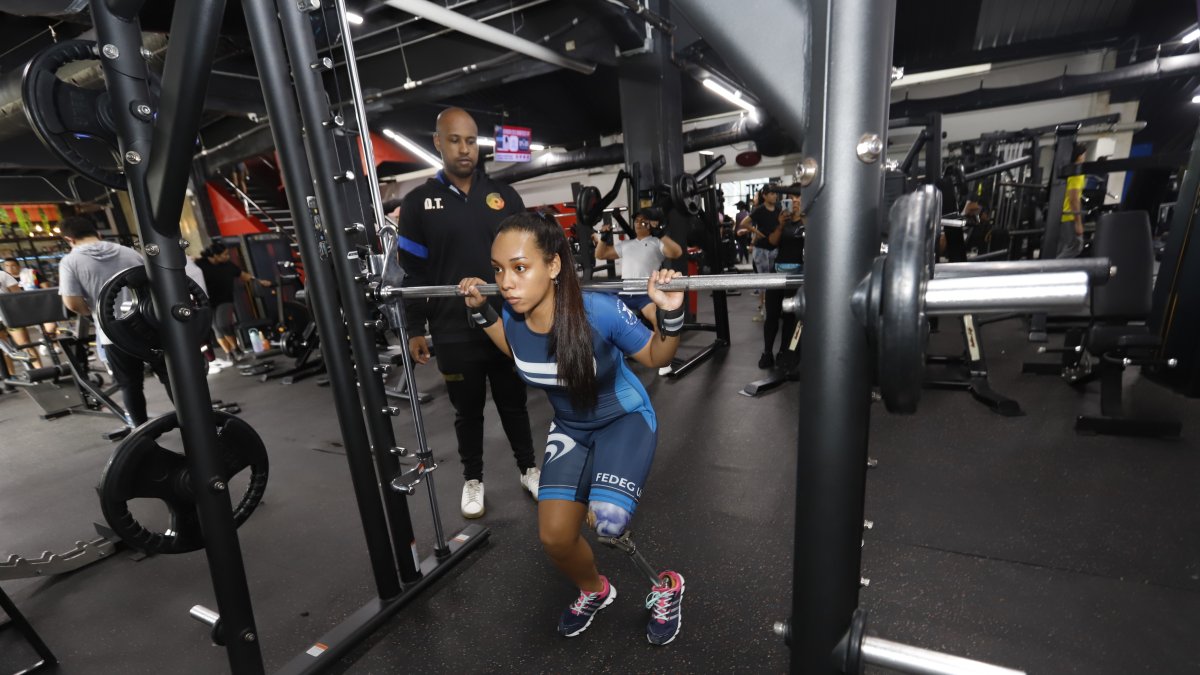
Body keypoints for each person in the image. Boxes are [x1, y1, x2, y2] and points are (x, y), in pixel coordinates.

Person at [458, 212, 686, 645]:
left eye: (519, 268)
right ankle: (595, 590)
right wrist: (481, 311)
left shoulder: (600, 311)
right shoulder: (512, 314)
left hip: (623, 419)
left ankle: (667, 585)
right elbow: (514, 350)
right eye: (498, 270)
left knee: (608, 521)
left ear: (554, 265)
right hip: (571, 429)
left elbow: (658, 357)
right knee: (556, 538)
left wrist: (670, 314)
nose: (506, 282)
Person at [398, 106, 539, 519]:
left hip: (507, 324)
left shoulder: (504, 196)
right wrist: (415, 327)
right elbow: (413, 274)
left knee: (515, 403)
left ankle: (529, 469)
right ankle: (473, 479)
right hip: (451, 329)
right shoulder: (418, 203)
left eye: (471, 140)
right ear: (438, 143)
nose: (464, 149)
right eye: (455, 140)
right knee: (467, 411)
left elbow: (527, 260)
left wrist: (534, 313)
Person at [57, 216, 169, 427]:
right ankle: (196, 426)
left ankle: (143, 435)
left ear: (68, 239)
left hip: (114, 332)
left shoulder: (70, 261)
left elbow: (72, 303)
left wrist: (95, 313)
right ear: (98, 233)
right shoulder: (128, 252)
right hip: (149, 325)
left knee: (130, 385)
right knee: (170, 376)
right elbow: (154, 284)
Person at [590, 206, 683, 324]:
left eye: (643, 221)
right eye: (636, 221)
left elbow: (677, 253)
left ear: (650, 224)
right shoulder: (626, 244)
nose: (638, 223)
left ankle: (659, 336)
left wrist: (660, 234)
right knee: (603, 317)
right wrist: (603, 239)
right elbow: (600, 255)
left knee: (657, 319)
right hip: (624, 294)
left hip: (645, 295)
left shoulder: (657, 242)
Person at [196, 241, 269, 364]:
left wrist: (259, 281)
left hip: (225, 299)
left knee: (224, 324)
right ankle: (229, 353)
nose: (228, 256)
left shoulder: (228, 265)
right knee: (216, 329)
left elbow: (243, 275)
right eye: (225, 254)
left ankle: (236, 349)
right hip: (206, 301)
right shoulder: (200, 264)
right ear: (215, 256)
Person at [761, 193, 805, 369]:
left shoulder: (807, 222)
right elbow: (772, 242)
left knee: (789, 316)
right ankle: (767, 353)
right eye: (792, 198)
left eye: (798, 198)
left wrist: (804, 216)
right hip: (778, 271)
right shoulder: (782, 220)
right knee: (771, 314)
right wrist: (780, 225)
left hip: (797, 274)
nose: (795, 201)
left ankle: (784, 352)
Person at [738, 185, 781, 333]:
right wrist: (757, 232)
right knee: (763, 281)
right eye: (772, 193)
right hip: (761, 249)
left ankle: (772, 309)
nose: (775, 196)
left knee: (773, 281)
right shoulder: (759, 210)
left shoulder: (779, 209)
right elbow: (744, 223)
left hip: (774, 248)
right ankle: (763, 310)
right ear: (765, 196)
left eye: (775, 194)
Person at [1057, 143, 1087, 259]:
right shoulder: (1077, 173)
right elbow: (1074, 199)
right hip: (1070, 217)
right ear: (1080, 156)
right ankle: (1052, 267)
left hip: (1063, 215)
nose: (1085, 157)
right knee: (1075, 247)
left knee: (1063, 249)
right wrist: (1078, 223)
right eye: (1084, 155)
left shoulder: (1068, 171)